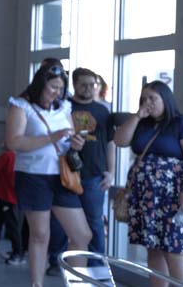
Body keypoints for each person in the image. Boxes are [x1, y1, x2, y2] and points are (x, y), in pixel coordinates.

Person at [114, 81, 183, 287]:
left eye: (152, 98)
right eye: (143, 98)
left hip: (175, 195)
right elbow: (120, 140)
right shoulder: (142, 123)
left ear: (166, 99)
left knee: (174, 250)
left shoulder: (182, 123)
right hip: (147, 196)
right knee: (153, 249)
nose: (147, 103)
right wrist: (137, 116)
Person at [6, 62, 92, 287]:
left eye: (60, 89)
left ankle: (78, 283)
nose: (57, 93)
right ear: (40, 84)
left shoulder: (64, 108)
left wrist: (76, 143)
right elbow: (14, 142)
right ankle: (37, 283)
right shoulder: (21, 105)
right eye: (52, 87)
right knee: (40, 234)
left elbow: (69, 140)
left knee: (82, 235)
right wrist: (50, 138)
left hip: (63, 176)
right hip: (33, 175)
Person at [48, 68, 114, 264]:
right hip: (64, 173)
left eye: (92, 85)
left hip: (93, 176)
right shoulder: (63, 108)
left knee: (95, 222)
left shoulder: (103, 111)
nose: (88, 88)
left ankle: (96, 265)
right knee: (59, 222)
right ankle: (56, 262)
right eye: (83, 84)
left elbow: (110, 143)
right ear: (74, 85)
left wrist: (111, 171)